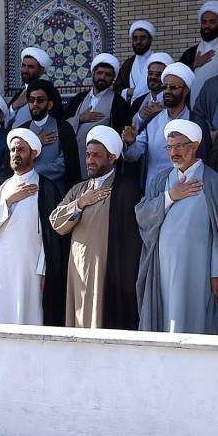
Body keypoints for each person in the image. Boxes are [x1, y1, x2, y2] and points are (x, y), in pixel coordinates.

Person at [134, 118, 218, 334]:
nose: (174, 152)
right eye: (170, 147)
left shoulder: (213, 182)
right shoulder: (160, 181)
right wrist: (170, 196)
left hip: (199, 268)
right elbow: (142, 214)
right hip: (163, 267)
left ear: (194, 146)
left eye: (179, 146)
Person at [49, 125, 142, 330]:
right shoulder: (79, 189)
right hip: (78, 271)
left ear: (112, 158)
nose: (90, 160)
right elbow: (56, 222)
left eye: (97, 156)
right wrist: (80, 203)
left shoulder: (126, 189)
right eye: (88, 154)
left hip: (109, 272)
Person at [0, 128, 68, 326]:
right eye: (13, 150)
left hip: (32, 270)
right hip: (4, 268)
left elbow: (51, 235)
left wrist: (44, 269)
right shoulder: (2, 187)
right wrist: (9, 201)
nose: (16, 154)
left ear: (33, 153)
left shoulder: (46, 188)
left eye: (21, 150)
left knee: (31, 317)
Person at [122, 63, 213, 195]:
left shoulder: (196, 123)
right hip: (154, 194)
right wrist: (130, 142)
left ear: (186, 90)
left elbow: (205, 163)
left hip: (187, 195)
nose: (168, 91)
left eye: (173, 87)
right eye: (165, 87)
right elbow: (133, 155)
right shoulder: (153, 120)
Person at [66, 54, 135, 180]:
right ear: (93, 73)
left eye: (108, 74)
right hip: (74, 161)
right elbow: (64, 125)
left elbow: (120, 137)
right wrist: (80, 119)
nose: (103, 77)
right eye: (100, 73)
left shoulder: (118, 103)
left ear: (113, 78)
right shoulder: (79, 98)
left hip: (100, 166)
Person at [18, 80, 78, 191]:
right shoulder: (22, 131)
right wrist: (34, 142)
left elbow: (64, 164)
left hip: (55, 192)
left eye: (40, 100)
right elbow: (16, 162)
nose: (35, 104)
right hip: (26, 192)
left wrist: (32, 172)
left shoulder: (63, 128)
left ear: (49, 104)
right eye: (32, 100)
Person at [180, 0, 218, 102]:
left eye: (212, 22)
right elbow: (177, 77)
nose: (207, 26)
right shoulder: (190, 53)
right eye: (204, 22)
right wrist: (193, 65)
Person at [9, 47, 56, 127]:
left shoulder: (49, 90)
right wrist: (14, 106)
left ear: (41, 70)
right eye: (24, 65)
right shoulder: (20, 93)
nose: (25, 70)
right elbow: (5, 120)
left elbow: (54, 118)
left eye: (30, 67)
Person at [128, 53, 174, 128]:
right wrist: (139, 117)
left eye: (158, 75)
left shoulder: (175, 101)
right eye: (150, 73)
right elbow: (129, 129)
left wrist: (163, 113)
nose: (153, 77)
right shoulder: (138, 102)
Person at [116, 21, 157, 102]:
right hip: (130, 111)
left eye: (142, 38)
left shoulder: (159, 61)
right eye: (135, 38)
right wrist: (128, 92)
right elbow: (117, 90)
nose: (138, 42)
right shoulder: (127, 64)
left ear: (150, 39)